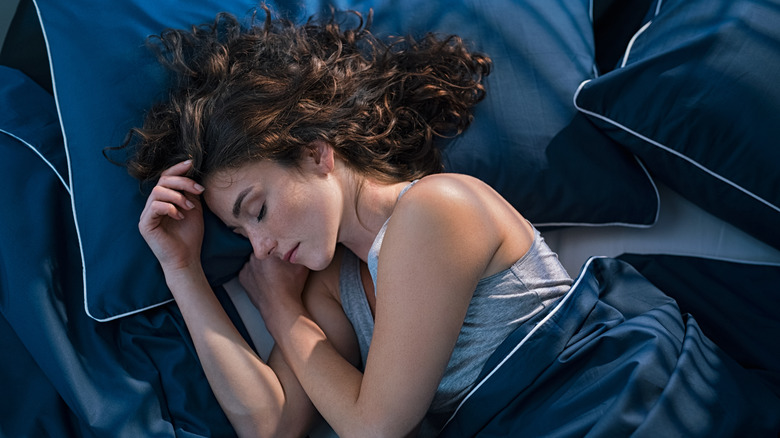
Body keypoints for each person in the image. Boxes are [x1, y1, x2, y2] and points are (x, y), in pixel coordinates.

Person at [126, 6, 572, 437]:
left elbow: (375, 429)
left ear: (315, 153)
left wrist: (280, 310)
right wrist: (182, 269)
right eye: (241, 233)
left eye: (258, 211)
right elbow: (270, 424)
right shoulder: (336, 286)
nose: (260, 248)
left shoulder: (436, 208)